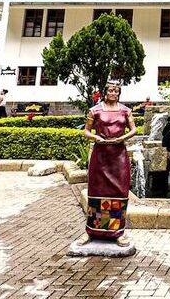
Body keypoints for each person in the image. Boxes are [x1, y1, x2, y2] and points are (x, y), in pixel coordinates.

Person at [75, 81, 137, 247]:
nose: (113, 93)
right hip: (100, 156)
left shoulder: (125, 110)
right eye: (110, 90)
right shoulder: (95, 110)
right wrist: (96, 138)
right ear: (105, 92)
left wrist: (122, 138)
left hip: (118, 156)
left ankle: (118, 232)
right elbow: (86, 131)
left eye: (116, 91)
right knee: (96, 192)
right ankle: (91, 231)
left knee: (119, 193)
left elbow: (134, 130)